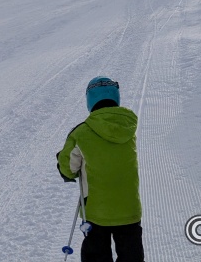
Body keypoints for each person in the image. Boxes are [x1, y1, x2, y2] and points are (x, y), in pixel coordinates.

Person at [56, 77, 145, 261]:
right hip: (129, 210)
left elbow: (68, 169)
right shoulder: (128, 128)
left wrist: (61, 160)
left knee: (96, 256)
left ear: (90, 99)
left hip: (96, 214)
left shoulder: (81, 133)